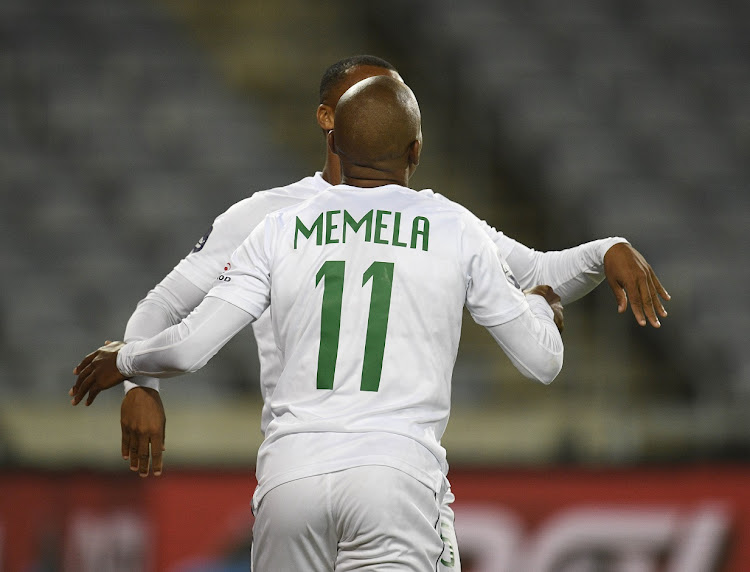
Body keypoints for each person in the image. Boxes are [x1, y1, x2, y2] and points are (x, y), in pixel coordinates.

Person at [72, 55, 668, 569]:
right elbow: (537, 315)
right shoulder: (443, 224)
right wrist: (141, 386)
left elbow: (188, 341)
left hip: (290, 472)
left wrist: (602, 251)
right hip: (395, 469)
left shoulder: (280, 228)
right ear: (405, 143)